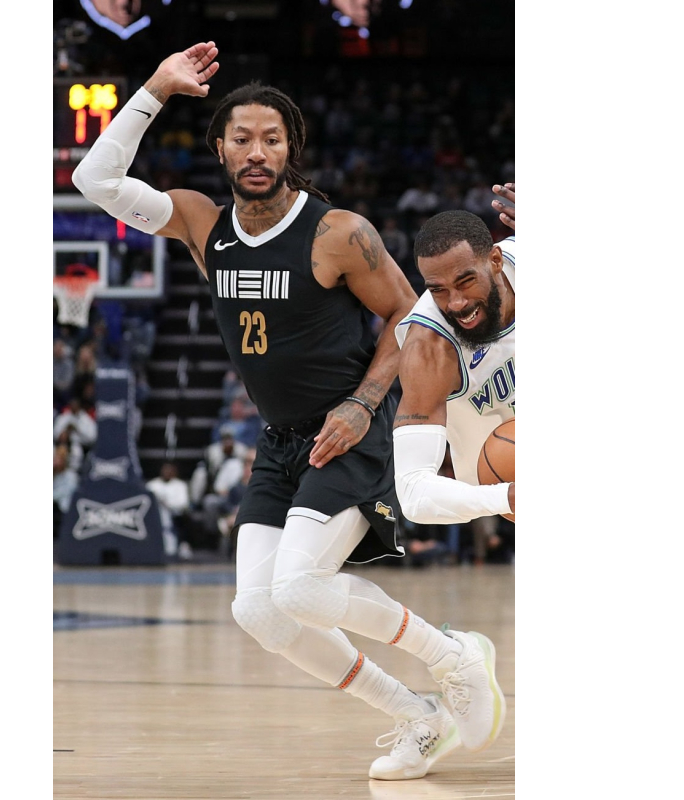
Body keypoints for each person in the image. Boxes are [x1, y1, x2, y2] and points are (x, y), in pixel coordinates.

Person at [72, 41, 505, 781]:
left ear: (290, 149)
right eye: (241, 137)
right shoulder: (202, 224)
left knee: (300, 588)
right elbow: (96, 180)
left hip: (353, 430)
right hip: (282, 443)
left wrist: (363, 403)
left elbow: (411, 318)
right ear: (219, 148)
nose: (256, 151)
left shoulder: (337, 233)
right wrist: (155, 88)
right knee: (258, 610)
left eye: (271, 139)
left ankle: (454, 656)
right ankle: (418, 715)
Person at [392, 183, 516, 532]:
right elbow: (413, 493)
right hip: (506, 479)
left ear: (495, 261)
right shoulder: (428, 347)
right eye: (438, 290)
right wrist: (506, 496)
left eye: (465, 282)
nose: (456, 303)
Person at [146, 461, 193, 560]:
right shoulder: (152, 485)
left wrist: (167, 504)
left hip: (175, 515)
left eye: (169, 470)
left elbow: (183, 504)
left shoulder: (180, 485)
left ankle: (182, 546)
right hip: (155, 515)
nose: (167, 472)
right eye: (165, 470)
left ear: (174, 471)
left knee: (181, 518)